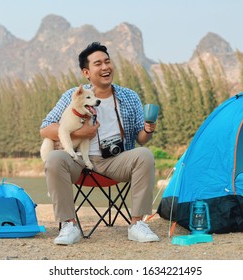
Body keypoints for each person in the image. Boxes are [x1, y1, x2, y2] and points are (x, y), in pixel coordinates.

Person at [40, 42, 159, 245]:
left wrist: (147, 130)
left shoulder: (129, 97)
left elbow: (141, 139)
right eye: (98, 64)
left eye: (107, 61)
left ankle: (138, 224)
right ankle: (69, 225)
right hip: (79, 161)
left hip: (115, 161)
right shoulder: (74, 95)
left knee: (144, 154)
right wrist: (80, 132)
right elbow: (45, 128)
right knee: (54, 158)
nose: (105, 67)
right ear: (86, 72)